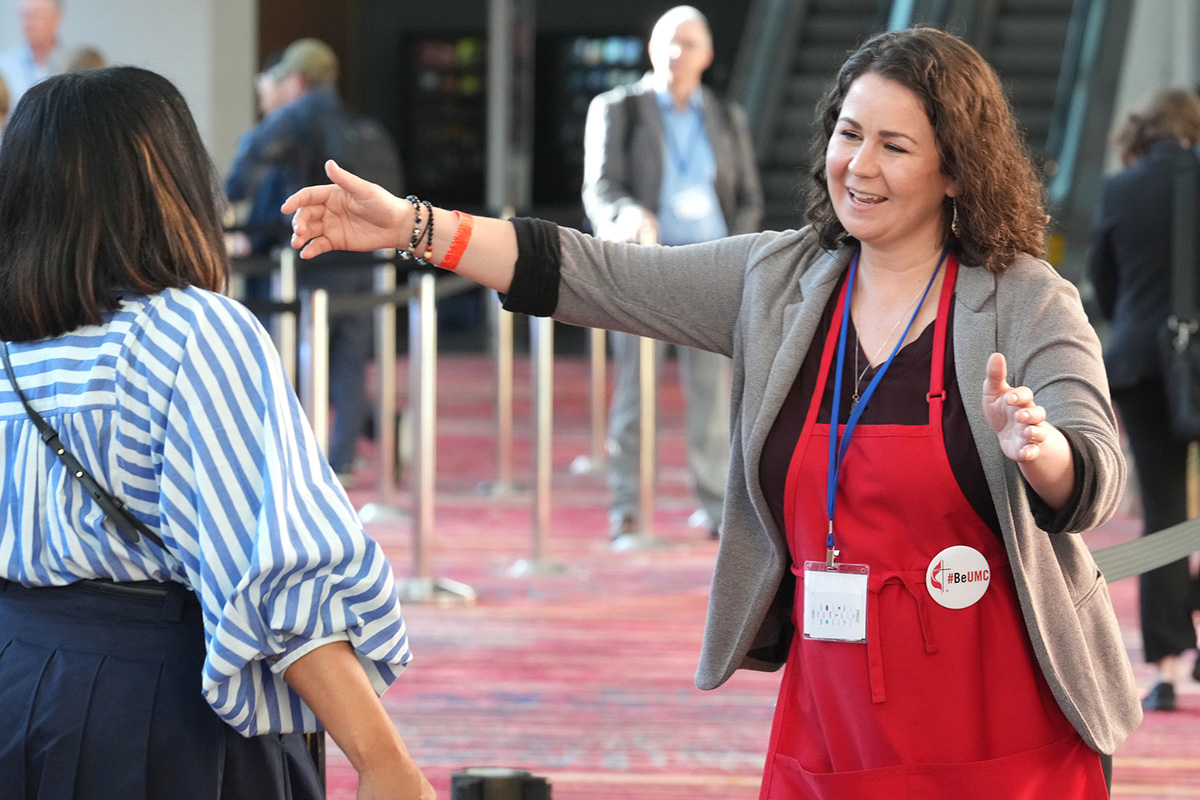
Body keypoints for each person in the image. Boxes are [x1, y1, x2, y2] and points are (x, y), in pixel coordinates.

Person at [287, 26, 1142, 796]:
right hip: (834, 718)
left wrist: (1042, 452)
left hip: (1000, 729)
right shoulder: (776, 281)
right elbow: (596, 274)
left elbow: (1091, 466)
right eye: (848, 135)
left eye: (895, 146)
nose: (860, 166)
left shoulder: (1026, 299)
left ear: (956, 168)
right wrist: (413, 226)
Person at [0, 67, 434, 800]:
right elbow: (275, 575)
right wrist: (385, 763)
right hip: (152, 710)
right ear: (168, 183)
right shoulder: (191, 332)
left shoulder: (12, 347)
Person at [583, 6, 763, 540]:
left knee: (712, 398)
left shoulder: (725, 114)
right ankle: (628, 508)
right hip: (645, 266)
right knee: (634, 395)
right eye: (667, 42)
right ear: (651, 48)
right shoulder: (621, 108)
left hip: (710, 266)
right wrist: (628, 215)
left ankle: (714, 508)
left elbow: (746, 196)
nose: (676, 54)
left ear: (707, 55)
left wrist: (741, 250)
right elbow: (600, 189)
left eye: (687, 44)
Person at [1087, 86, 1200, 712]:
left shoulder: (1121, 189)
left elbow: (1104, 282)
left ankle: (1162, 669)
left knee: (1165, 513)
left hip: (1138, 363)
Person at [226, 38, 381, 483]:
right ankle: (343, 459)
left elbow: (252, 152)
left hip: (318, 258)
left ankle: (298, 465)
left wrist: (227, 195)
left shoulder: (296, 116)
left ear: (295, 80)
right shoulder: (351, 118)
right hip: (365, 257)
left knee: (297, 359)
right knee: (349, 360)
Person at [0, 0, 64, 108]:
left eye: (35, 15)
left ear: (56, 17)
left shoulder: (74, 64)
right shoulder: (4, 66)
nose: (27, 23)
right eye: (23, 15)